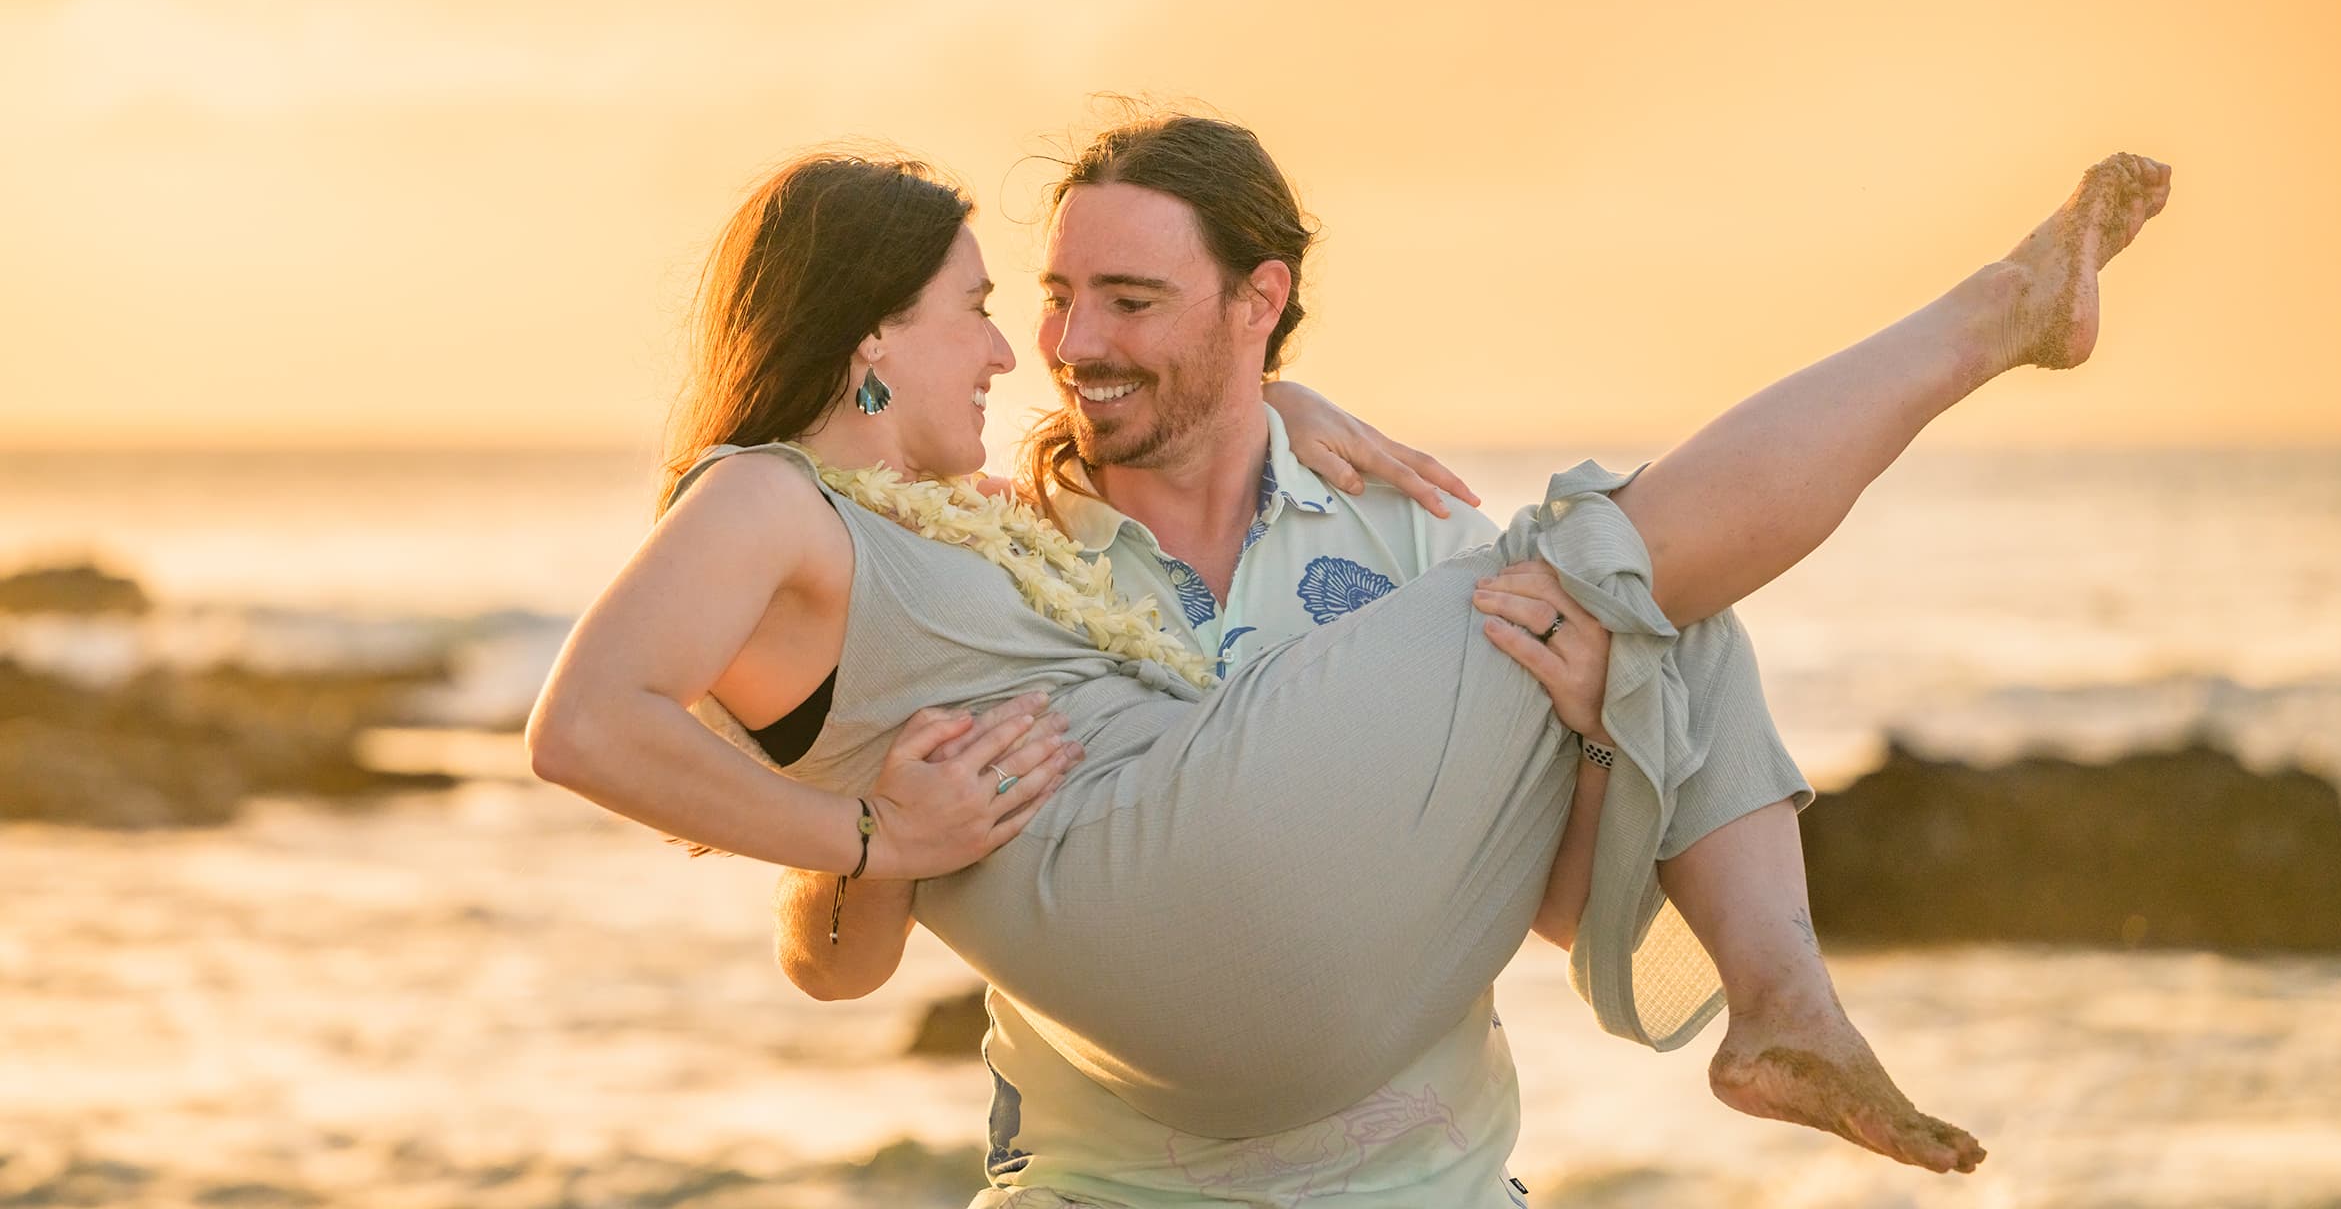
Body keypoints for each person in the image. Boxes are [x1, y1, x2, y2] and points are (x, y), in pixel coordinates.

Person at [527, 121, 2169, 1191]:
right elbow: (823, 937)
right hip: (1121, 1176)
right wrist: (876, 837)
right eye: (1033, 298)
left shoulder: (1398, 545)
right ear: (879, 327)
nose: (1062, 344)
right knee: (1628, 549)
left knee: (1652, 607)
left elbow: (1582, 941)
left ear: (1261, 303)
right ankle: (1991, 322)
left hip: (1420, 1187)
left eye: (1128, 299)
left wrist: (1602, 739)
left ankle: (1775, 1004)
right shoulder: (993, 528)